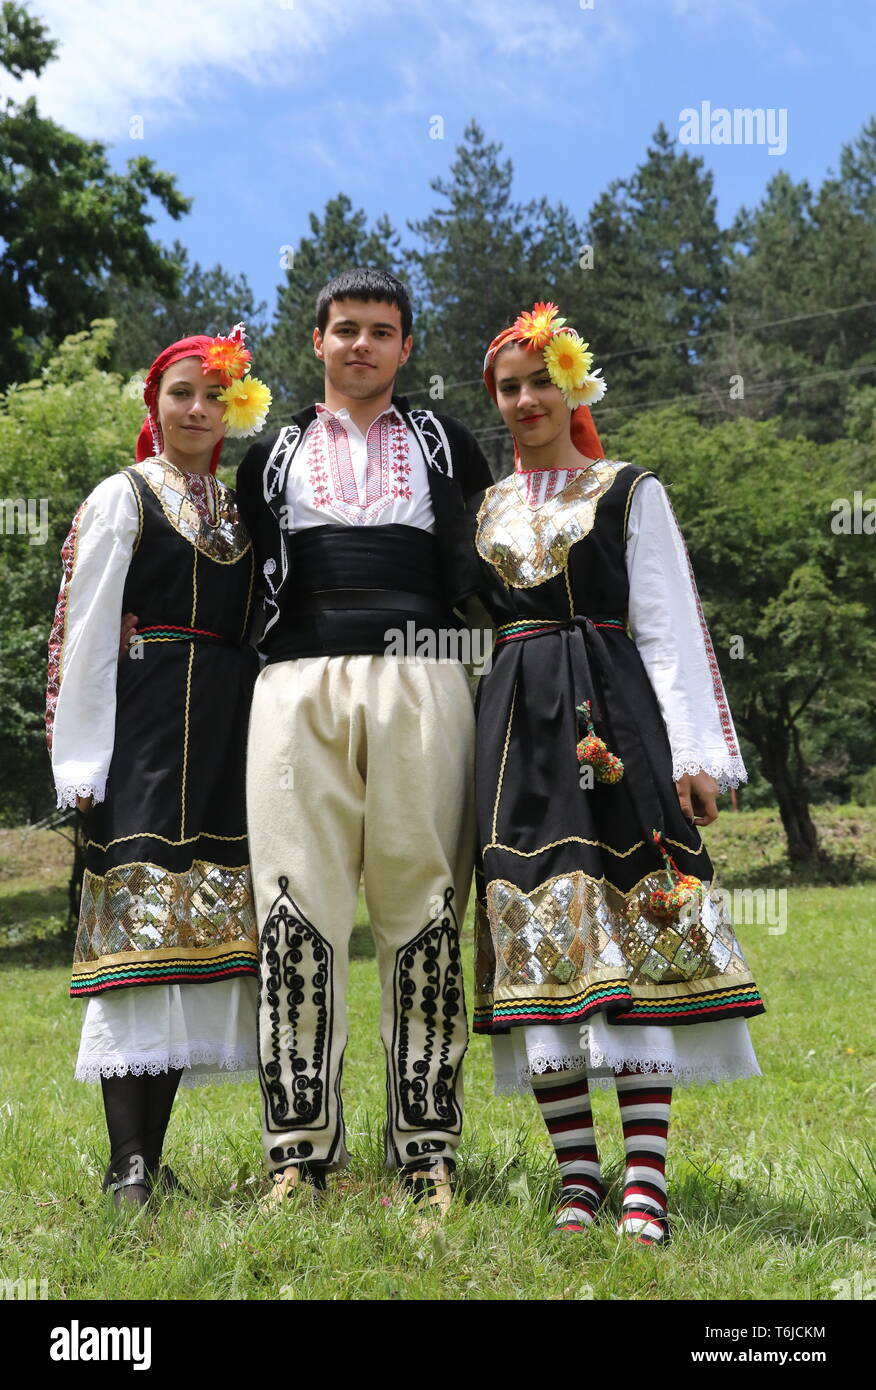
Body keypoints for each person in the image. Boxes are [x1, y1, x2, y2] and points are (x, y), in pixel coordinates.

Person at [471, 302, 765, 1244]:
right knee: (535, 930)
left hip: (615, 713)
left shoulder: (628, 489)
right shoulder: (487, 508)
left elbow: (671, 629)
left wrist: (695, 757)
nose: (524, 400)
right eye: (508, 388)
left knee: (635, 933)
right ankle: (575, 1175)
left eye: (538, 382)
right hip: (515, 729)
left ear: (573, 384)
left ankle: (644, 1178)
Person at [235, 269, 493, 1220]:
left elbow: (491, 567)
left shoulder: (445, 443)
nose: (362, 346)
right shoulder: (267, 455)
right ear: (317, 341)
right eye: (345, 329)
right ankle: (298, 1153)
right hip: (296, 686)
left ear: (406, 347)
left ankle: (427, 1149)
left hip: (423, 679)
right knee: (294, 907)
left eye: (382, 331)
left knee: (424, 907)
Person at [46, 325, 272, 1206]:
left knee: (193, 940)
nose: (196, 409)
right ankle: (124, 1162)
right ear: (155, 403)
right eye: (181, 392)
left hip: (225, 731)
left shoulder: (238, 513)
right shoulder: (123, 497)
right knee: (138, 935)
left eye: (213, 396)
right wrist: (79, 764)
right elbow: (87, 633)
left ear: (233, 410)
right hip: (141, 732)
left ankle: (154, 1153)